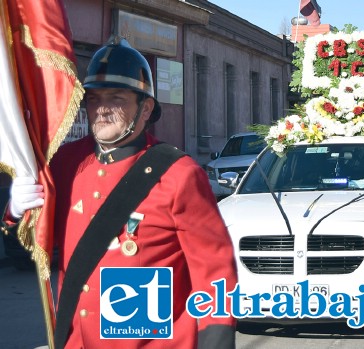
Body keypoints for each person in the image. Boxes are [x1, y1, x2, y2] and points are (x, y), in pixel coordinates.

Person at [3, 37, 237, 349]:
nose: (101, 109)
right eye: (94, 98)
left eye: (116, 98)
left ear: (146, 108)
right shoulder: (64, 163)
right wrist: (15, 211)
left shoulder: (179, 174)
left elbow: (215, 274)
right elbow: (36, 240)